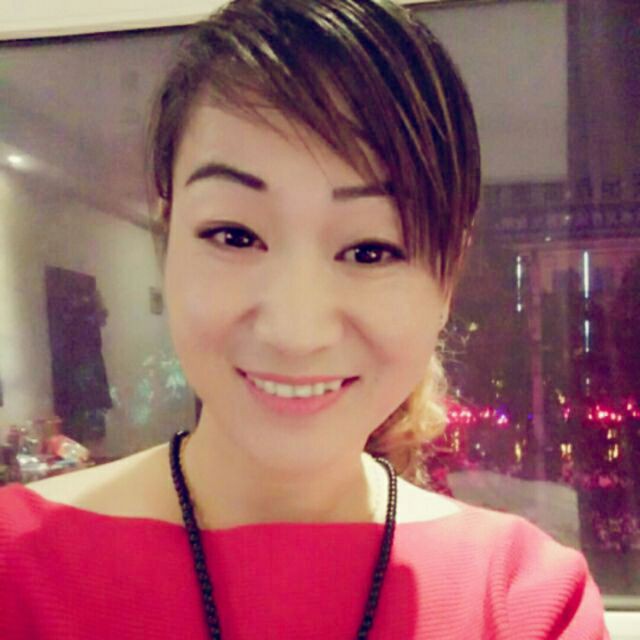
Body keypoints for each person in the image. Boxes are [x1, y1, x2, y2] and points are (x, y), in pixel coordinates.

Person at [0, 0, 609, 638]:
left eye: (370, 250)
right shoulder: (20, 569)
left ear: (447, 278)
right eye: (234, 235)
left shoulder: (519, 600)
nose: (295, 333)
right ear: (168, 236)